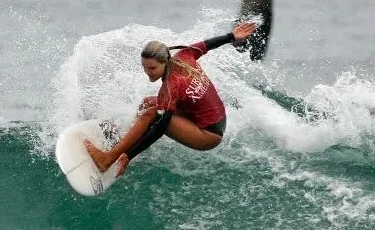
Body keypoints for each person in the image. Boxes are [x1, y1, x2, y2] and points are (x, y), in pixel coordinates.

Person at [84, 22, 258, 177]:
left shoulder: (171, 86)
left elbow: (160, 127)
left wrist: (129, 156)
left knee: (152, 113)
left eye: (152, 68)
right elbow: (208, 44)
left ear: (165, 62)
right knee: (147, 102)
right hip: (214, 117)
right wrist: (232, 36)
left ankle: (108, 159)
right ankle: (124, 142)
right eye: (144, 67)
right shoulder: (185, 55)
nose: (147, 72)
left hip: (209, 135)